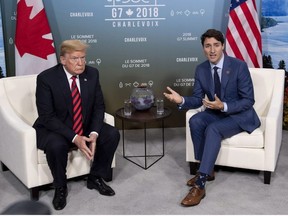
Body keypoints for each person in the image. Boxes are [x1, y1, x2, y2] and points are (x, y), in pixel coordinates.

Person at [163, 29, 260, 207]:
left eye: (216, 45)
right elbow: (197, 98)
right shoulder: (201, 69)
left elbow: (248, 100)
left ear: (223, 46)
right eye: (208, 46)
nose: (212, 50)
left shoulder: (239, 66)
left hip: (240, 115)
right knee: (195, 120)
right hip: (216, 113)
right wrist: (181, 100)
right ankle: (207, 171)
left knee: (213, 129)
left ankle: (200, 184)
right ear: (203, 49)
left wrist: (223, 106)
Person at [33, 40, 120, 210]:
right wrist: (74, 137)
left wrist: (94, 133)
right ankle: (60, 187)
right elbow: (47, 116)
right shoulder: (46, 79)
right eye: (74, 59)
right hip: (55, 127)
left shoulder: (92, 74)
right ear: (63, 60)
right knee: (56, 145)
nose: (80, 63)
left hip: (83, 124)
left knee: (111, 134)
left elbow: (98, 107)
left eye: (83, 58)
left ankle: (95, 178)